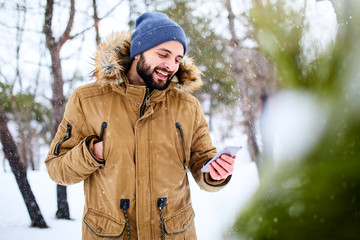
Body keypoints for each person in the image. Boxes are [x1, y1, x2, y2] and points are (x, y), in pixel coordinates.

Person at [45, 12, 235, 240]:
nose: (171, 65)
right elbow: (57, 169)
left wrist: (215, 173)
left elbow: (202, 162)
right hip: (110, 233)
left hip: (174, 233)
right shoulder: (88, 99)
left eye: (177, 58)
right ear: (138, 52)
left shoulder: (187, 106)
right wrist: (92, 152)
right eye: (163, 54)